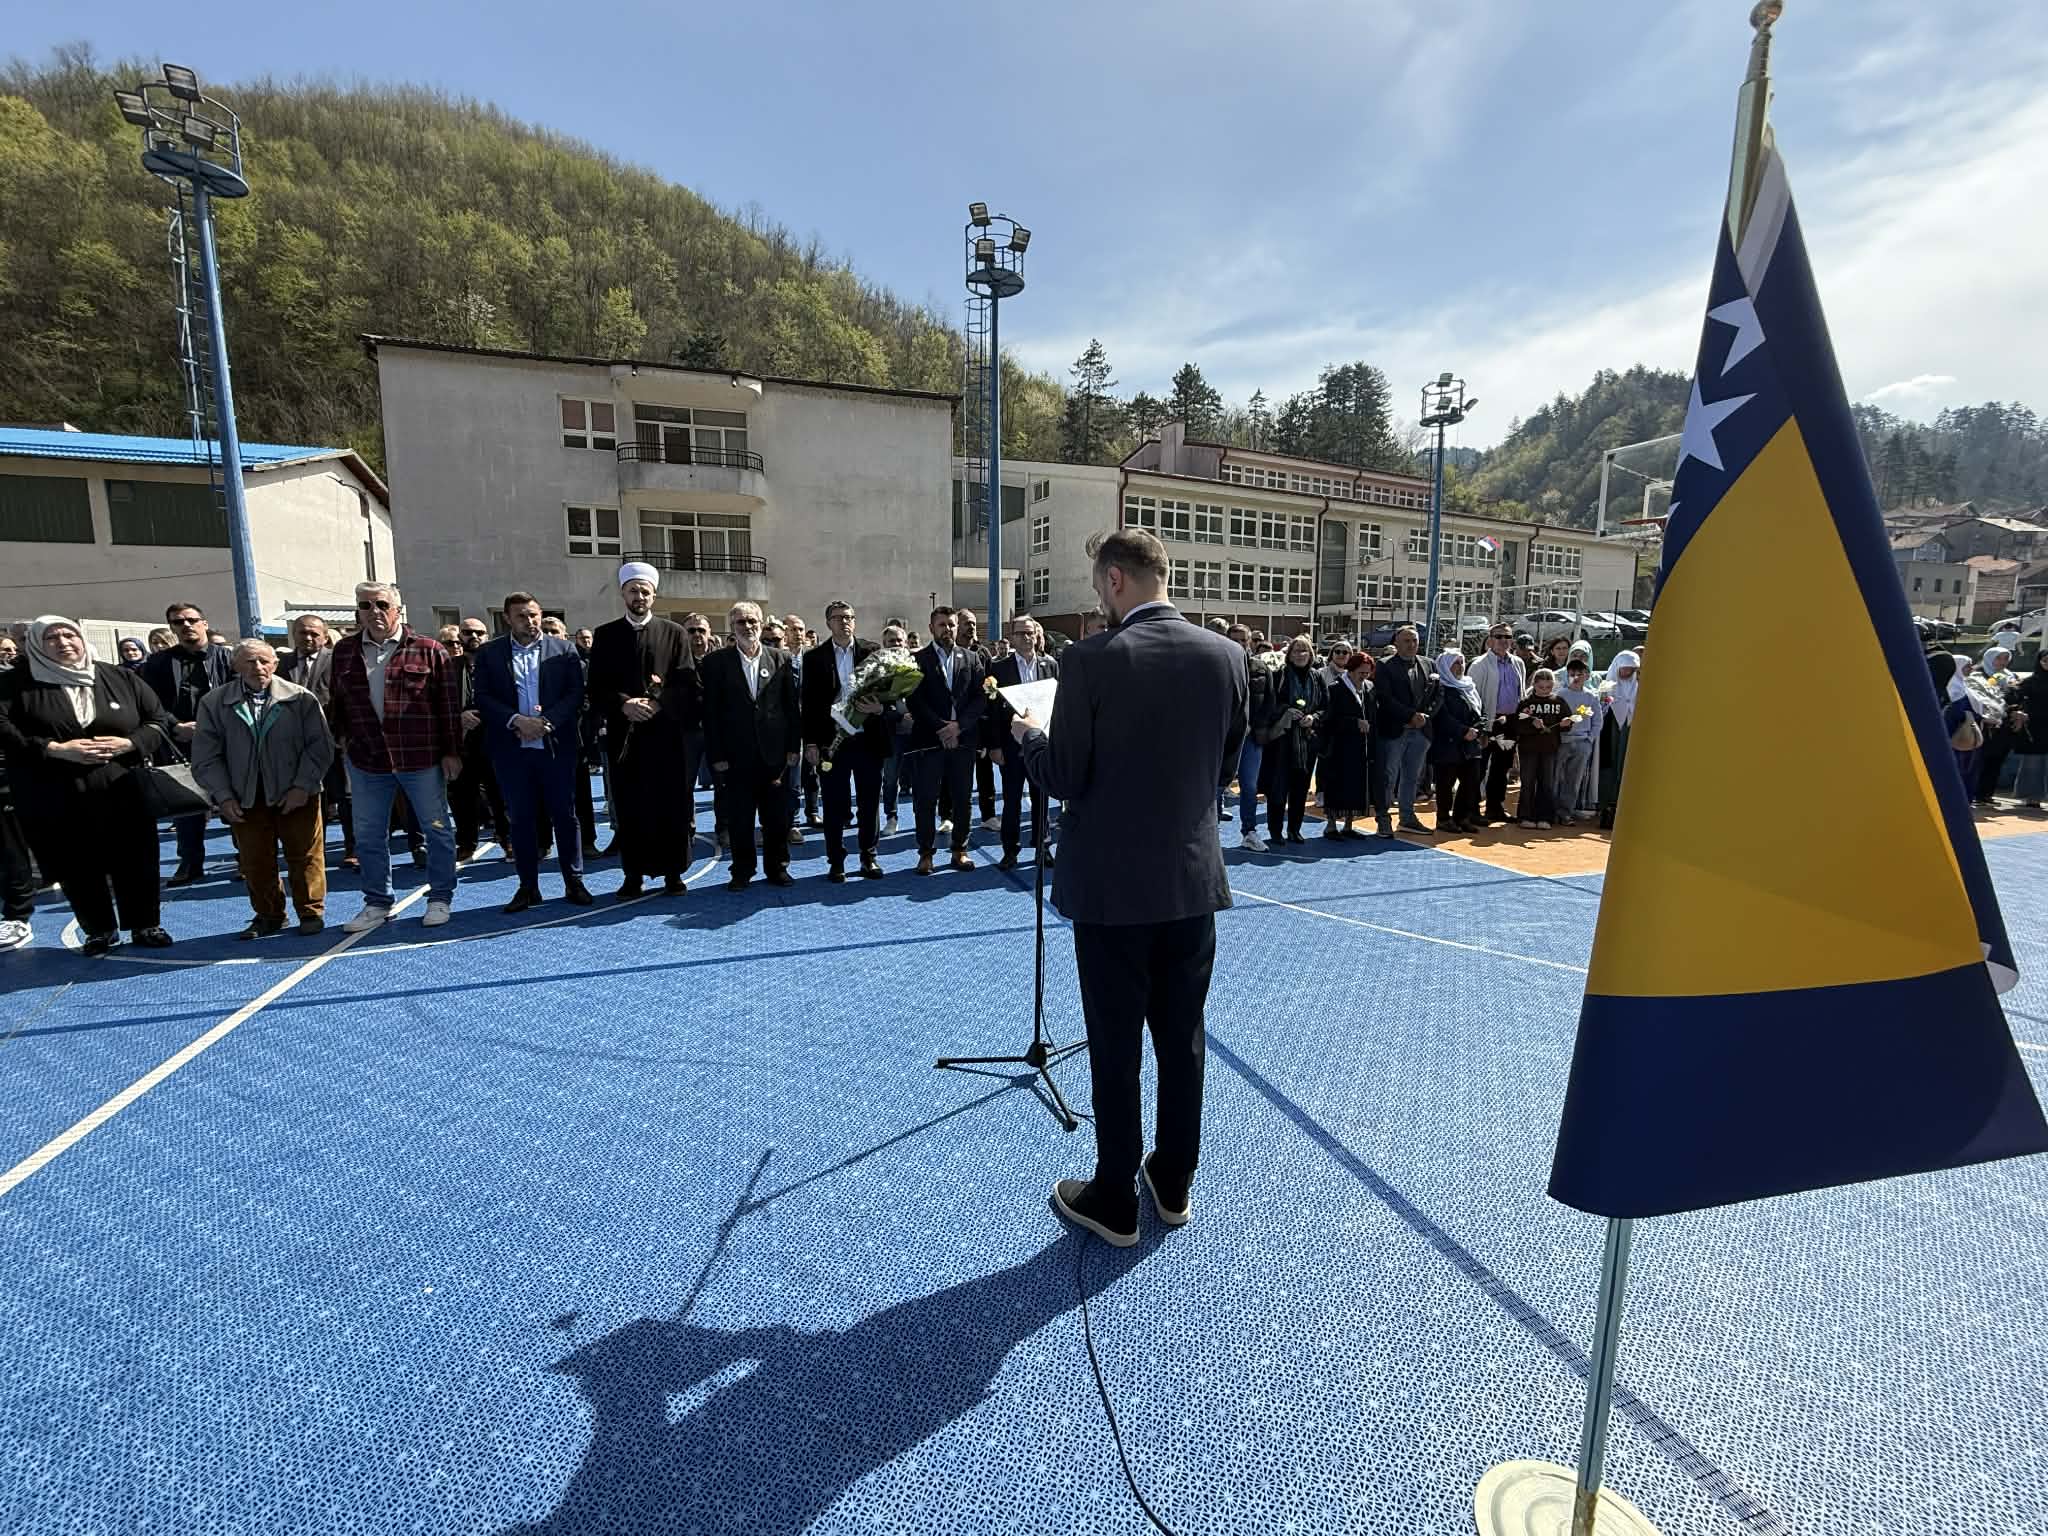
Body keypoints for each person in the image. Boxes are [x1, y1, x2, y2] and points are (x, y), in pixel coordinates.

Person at [1010, 527, 1247, 1246]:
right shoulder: (1229, 656)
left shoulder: (1089, 660)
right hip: (1190, 879)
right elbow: (1224, 767)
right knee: (1183, 1039)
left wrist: (1030, 738)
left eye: (1095, 583)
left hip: (1112, 888)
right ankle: (1172, 1179)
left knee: (1115, 1045)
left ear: (1115, 580)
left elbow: (1065, 778)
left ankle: (1114, 1195)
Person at [0, 616, 177, 953]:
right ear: (36, 644)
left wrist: (128, 744)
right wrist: (53, 749)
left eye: (70, 634)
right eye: (52, 637)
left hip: (120, 785)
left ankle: (146, 925)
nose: (64, 642)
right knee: (74, 861)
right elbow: (3, 729)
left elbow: (156, 721)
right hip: (54, 790)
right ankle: (98, 930)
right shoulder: (15, 685)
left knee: (135, 856)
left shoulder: (119, 677)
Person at [325, 582, 463, 931]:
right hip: (367, 760)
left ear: (398, 609)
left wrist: (451, 753)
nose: (374, 612)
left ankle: (440, 897)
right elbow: (337, 703)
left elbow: (448, 708)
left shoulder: (429, 650)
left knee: (437, 829)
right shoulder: (343, 651)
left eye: (381, 604)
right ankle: (377, 903)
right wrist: (342, 740)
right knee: (369, 835)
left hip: (420, 758)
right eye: (365, 605)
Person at [190, 639, 335, 939]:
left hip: (296, 794)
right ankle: (269, 914)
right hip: (244, 796)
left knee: (305, 855)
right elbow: (206, 756)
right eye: (249, 662)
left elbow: (319, 748)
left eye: (263, 661)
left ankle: (310, 911)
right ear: (235, 666)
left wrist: (302, 787)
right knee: (255, 860)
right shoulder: (215, 703)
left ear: (275, 664)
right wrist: (223, 795)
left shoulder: (300, 699)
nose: (257, 667)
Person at [473, 593, 593, 913]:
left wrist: (546, 722)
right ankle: (528, 887)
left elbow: (575, 694)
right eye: (523, 616)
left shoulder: (564, 650)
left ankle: (574, 880)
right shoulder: (489, 653)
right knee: (522, 819)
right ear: (508, 619)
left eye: (535, 614)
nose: (531, 621)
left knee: (565, 817)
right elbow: (482, 696)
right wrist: (517, 721)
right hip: (512, 750)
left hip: (555, 747)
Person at [588, 563, 698, 901]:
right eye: (633, 590)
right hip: (626, 737)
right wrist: (624, 704)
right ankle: (633, 874)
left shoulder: (674, 633)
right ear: (623, 593)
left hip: (666, 735)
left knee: (671, 804)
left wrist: (659, 704)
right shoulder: (606, 635)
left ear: (654, 595)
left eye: (645, 591)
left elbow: (686, 680)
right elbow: (596, 685)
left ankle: (673, 874)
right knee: (630, 805)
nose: (640, 596)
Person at [702, 601, 801, 891]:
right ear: (732, 628)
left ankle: (777, 867)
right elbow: (711, 713)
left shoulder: (781, 659)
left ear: (761, 623)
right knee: (740, 819)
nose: (748, 627)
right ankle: (742, 871)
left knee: (777, 819)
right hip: (735, 756)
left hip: (775, 755)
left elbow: (791, 708)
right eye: (741, 622)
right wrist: (717, 754)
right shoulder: (715, 663)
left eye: (752, 621)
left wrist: (793, 746)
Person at [140, 600, 234, 886]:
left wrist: (216, 727)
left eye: (192, 620)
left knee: (235, 800)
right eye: (178, 622)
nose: (186, 626)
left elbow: (238, 693)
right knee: (186, 805)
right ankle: (190, 863)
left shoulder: (228, 658)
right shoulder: (157, 663)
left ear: (204, 623)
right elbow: (150, 703)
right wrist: (176, 726)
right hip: (180, 741)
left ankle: (245, 858)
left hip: (226, 740)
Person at [801, 600, 891, 883]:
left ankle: (869, 856)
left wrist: (880, 709)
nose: (845, 622)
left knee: (868, 802)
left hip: (867, 740)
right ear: (828, 623)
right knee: (834, 803)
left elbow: (888, 694)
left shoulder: (872, 652)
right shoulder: (814, 658)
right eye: (838, 618)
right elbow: (811, 705)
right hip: (832, 743)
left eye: (849, 617)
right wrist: (811, 743)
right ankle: (836, 860)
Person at [907, 605, 986, 875]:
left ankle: (959, 850)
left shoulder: (972, 659)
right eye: (942, 625)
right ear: (931, 628)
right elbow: (915, 700)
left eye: (952, 625)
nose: (948, 630)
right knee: (926, 799)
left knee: (963, 798)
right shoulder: (917, 659)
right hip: (930, 740)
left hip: (963, 741)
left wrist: (958, 727)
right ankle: (926, 853)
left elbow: (979, 698)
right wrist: (942, 727)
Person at [277, 615, 352, 869]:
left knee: (345, 796)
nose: (307, 638)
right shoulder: (280, 663)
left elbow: (346, 698)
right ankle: (310, 851)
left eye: (314, 634)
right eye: (302, 633)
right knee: (306, 796)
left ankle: (353, 848)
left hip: (333, 740)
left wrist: (343, 733)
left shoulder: (338, 660)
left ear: (325, 635)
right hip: (294, 744)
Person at [986, 615, 1059, 870]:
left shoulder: (1049, 665)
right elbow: (993, 711)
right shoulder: (999, 668)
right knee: (1012, 800)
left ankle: (1043, 847)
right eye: (1022, 633)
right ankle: (1010, 850)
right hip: (1010, 745)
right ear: (1012, 637)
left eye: (1031, 633)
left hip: (1041, 744)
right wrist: (994, 746)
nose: (1028, 638)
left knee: (1042, 799)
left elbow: (1055, 706)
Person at [450, 617, 511, 862]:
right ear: (460, 637)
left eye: (479, 632)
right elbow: (438, 702)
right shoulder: (448, 666)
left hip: (495, 739)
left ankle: (508, 840)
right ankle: (466, 843)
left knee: (500, 795)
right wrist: (459, 717)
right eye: (467, 632)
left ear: (487, 636)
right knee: (462, 796)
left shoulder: (500, 665)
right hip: (461, 741)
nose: (473, 636)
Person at [1254, 636, 1324, 845]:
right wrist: (1286, 711)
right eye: (1296, 651)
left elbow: (1326, 707)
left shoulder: (1317, 678)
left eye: (1305, 651)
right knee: (1278, 787)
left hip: (1307, 740)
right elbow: (1269, 705)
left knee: (1300, 788)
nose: (1300, 654)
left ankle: (1295, 829)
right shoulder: (1279, 676)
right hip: (1282, 740)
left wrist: (1314, 717)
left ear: (1311, 654)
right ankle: (1275, 831)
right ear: (1289, 654)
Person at [1371, 625, 1439, 839]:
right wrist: (1410, 716)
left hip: (1421, 732)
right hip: (1394, 730)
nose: (1411, 645)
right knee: (1388, 777)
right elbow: (1384, 697)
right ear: (1396, 643)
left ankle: (1408, 818)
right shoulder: (1384, 666)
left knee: (1412, 777)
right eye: (1407, 641)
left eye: (1414, 640)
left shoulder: (1429, 664)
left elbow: (1439, 694)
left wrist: (1424, 717)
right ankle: (1383, 819)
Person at [1469, 624, 1527, 824]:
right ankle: (1472, 808)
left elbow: (1522, 692)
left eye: (1508, 636)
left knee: (1502, 767)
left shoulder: (1518, 663)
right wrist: (1481, 726)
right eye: (1499, 636)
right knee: (1479, 766)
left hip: (1510, 722)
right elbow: (1473, 697)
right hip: (1488, 722)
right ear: (1490, 639)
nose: (1504, 640)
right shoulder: (1479, 664)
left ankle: (1495, 807)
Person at [1318, 650, 1375, 838]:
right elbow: (1328, 719)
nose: (1364, 677)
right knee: (1336, 784)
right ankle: (1331, 825)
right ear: (1351, 671)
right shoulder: (1335, 689)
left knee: (1356, 784)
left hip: (1360, 747)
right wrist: (1354, 723)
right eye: (1361, 673)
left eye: (1367, 673)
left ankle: (1349, 824)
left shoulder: (1369, 688)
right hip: (1339, 746)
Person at [1430, 650, 1486, 833]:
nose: (1460, 666)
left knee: (1471, 780)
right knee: (1446, 783)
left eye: (1462, 662)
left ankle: (1461, 817)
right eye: (1455, 663)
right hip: (1448, 743)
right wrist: (1462, 731)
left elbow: (1477, 711)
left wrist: (1482, 729)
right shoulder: (1440, 688)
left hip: (1471, 744)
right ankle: (1444, 818)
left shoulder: (1468, 686)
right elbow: (1442, 717)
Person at [954, 608, 1000, 830]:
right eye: (966, 623)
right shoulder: (949, 652)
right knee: (952, 772)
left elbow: (992, 686)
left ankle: (988, 815)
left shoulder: (982, 652)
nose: (971, 627)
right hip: (954, 722)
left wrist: (988, 707)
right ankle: (947, 814)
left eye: (973, 623)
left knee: (984, 770)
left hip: (980, 721)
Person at [678, 612, 720, 849]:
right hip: (687, 732)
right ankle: (687, 829)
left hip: (717, 732)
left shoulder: (722, 662)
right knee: (685, 785)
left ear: (709, 634)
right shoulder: (675, 663)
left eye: (701, 630)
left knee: (723, 784)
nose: (696, 635)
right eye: (691, 631)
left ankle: (724, 827)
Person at [1225, 623, 1269, 850]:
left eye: (1244, 640)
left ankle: (1249, 832)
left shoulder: (1261, 668)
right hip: (1224, 739)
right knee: (1215, 786)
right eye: (1236, 640)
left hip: (1252, 739)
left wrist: (1259, 727)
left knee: (1249, 786)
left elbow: (1269, 702)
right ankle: (1210, 835)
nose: (1241, 645)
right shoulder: (1217, 666)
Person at [1513, 667, 1574, 829]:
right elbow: (1517, 726)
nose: (1545, 691)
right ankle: (1525, 816)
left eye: (1548, 687)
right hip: (1528, 749)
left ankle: (1545, 817)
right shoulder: (1526, 703)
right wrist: (1531, 725)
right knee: (1528, 782)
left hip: (1550, 749)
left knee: (1547, 783)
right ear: (1534, 685)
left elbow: (1568, 723)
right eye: (1541, 687)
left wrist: (1566, 723)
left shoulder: (1558, 702)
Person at [1555, 657, 1604, 825]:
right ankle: (1551, 811)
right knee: (1555, 778)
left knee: (1573, 780)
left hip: (1582, 742)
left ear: (1587, 676)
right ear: (1567, 675)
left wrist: (1589, 740)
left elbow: (1597, 721)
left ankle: (1565, 813)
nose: (1576, 677)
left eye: (1580, 674)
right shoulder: (1560, 695)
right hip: (1561, 742)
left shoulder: (1591, 696)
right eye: (1572, 674)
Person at [1596, 650, 1640, 830]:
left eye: (1631, 670)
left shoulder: (1638, 686)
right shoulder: (1607, 686)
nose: (1627, 673)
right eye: (1624, 669)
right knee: (1609, 763)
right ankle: (1604, 802)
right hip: (1610, 730)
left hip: (1628, 730)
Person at [1973, 643, 2021, 805]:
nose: (2002, 662)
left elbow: (2016, 697)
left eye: (2006, 658)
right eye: (1999, 658)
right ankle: (1974, 793)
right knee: (1981, 759)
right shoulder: (1979, 675)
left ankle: (1987, 794)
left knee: (1997, 760)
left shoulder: (2010, 676)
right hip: (1985, 723)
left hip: (2004, 725)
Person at [879, 621, 912, 838]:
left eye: (899, 640)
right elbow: (879, 702)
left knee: (922, 778)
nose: (896, 644)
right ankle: (891, 817)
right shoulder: (878, 671)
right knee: (890, 778)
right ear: (884, 644)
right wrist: (901, 716)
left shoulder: (918, 666)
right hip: (892, 732)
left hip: (917, 731)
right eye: (891, 641)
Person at [2010, 649, 2048, 809]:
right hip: (2034, 727)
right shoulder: (2031, 681)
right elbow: (2014, 698)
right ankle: (2031, 797)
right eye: (2045, 660)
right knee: (2033, 763)